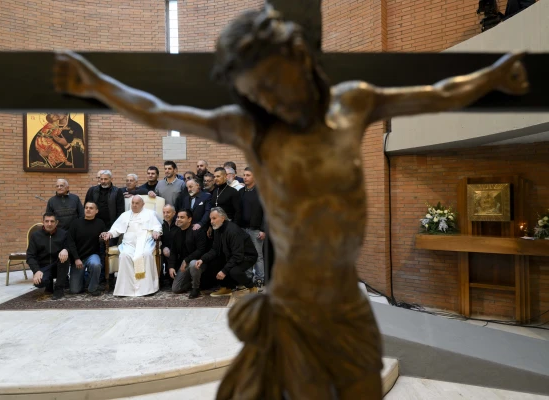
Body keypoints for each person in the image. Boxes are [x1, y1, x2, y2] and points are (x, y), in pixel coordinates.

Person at [55, 7, 528, 395]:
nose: (259, 94)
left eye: (264, 79)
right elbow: (160, 111)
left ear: (295, 59)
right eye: (251, 87)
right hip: (290, 300)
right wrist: (95, 84)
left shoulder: (352, 104)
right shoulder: (253, 127)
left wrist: (493, 77)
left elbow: (434, 93)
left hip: (342, 298)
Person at [101, 195, 162, 297]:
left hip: (145, 241)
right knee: (124, 255)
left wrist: (156, 231)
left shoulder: (150, 214)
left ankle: (146, 289)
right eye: (133, 203)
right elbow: (116, 229)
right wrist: (110, 234)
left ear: (143, 204)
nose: (134, 205)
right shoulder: (125, 215)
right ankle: (126, 290)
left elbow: (157, 226)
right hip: (129, 243)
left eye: (137, 203)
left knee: (146, 254)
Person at [196, 208, 257, 297]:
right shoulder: (217, 228)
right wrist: (202, 259)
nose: (211, 221)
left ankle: (252, 286)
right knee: (213, 263)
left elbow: (238, 255)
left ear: (223, 218)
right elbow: (215, 249)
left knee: (234, 271)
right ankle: (226, 287)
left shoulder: (233, 231)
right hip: (231, 255)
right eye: (210, 219)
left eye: (214, 218)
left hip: (246, 256)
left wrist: (224, 271)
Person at [26, 212, 69, 300]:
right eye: (47, 221)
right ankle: (48, 284)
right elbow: (30, 256)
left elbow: (70, 247)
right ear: (43, 222)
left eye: (52, 221)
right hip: (43, 267)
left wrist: (66, 249)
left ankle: (59, 289)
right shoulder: (35, 236)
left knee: (65, 257)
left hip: (58, 266)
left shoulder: (64, 234)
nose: (49, 224)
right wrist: (36, 271)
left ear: (56, 222)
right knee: (39, 283)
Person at [68, 202, 105, 296]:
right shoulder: (75, 223)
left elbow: (104, 237)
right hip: (78, 258)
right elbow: (70, 242)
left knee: (96, 264)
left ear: (96, 211)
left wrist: (104, 236)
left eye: (91, 208)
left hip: (92, 255)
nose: (88, 209)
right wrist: (76, 258)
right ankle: (86, 278)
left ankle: (93, 288)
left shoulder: (100, 223)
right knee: (75, 290)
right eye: (86, 207)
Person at [169, 210, 209, 298]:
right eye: (178, 217)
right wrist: (171, 267)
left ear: (189, 219)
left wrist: (186, 260)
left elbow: (201, 250)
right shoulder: (176, 233)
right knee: (176, 289)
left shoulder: (197, 231)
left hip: (200, 262)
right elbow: (173, 252)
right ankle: (194, 282)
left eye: (182, 217)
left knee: (193, 263)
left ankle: (195, 288)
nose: (179, 219)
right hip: (185, 265)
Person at [239, 167, 265, 288]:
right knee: (246, 255)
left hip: (256, 229)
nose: (245, 177)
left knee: (258, 256)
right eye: (244, 175)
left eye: (248, 175)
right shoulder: (241, 192)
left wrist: (263, 229)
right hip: (243, 229)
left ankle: (260, 279)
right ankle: (248, 279)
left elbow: (267, 213)